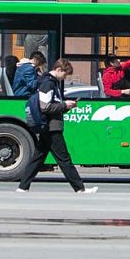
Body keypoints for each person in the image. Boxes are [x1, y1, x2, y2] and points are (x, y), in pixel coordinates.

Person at [18, 58, 96, 194]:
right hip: (51, 127)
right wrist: (65, 105)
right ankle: (79, 188)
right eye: (65, 75)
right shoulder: (48, 84)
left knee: (37, 158)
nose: (64, 78)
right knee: (64, 159)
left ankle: (22, 187)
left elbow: (51, 105)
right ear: (58, 70)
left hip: (49, 126)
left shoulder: (50, 83)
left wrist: (66, 106)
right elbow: (45, 107)